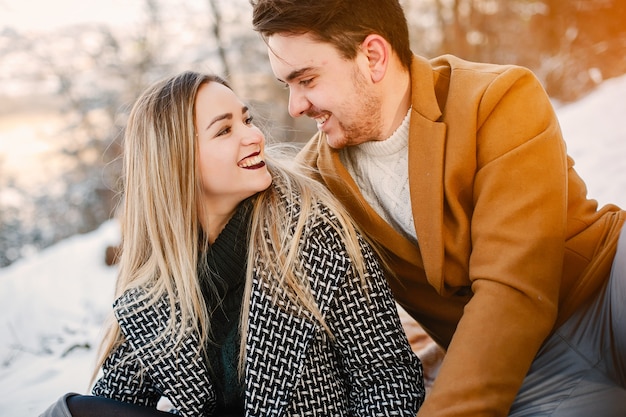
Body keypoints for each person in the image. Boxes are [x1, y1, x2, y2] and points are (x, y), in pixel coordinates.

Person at [249, 1, 626, 416]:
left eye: (306, 79)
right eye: (287, 86)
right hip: (524, 373)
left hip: (605, 294)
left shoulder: (496, 97)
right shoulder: (314, 187)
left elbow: (514, 288)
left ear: (372, 57)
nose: (295, 106)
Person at [40, 71, 425, 417]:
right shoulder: (157, 289)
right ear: (177, 161)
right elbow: (118, 398)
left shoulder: (312, 233)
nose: (254, 136)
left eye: (247, 120)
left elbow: (389, 379)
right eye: (224, 130)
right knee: (74, 412)